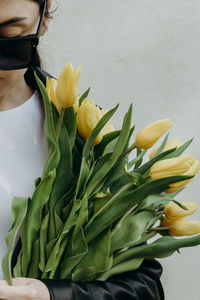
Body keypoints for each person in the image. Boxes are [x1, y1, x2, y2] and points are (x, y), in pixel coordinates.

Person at [0, 0, 165, 299]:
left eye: (11, 37)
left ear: (44, 16)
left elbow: (145, 288)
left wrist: (53, 295)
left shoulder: (88, 139)